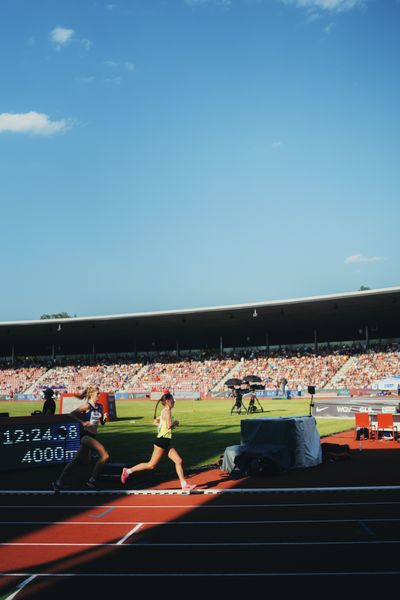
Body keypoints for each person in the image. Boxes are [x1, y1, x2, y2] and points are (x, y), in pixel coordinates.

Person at [120, 391, 196, 491]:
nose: (174, 402)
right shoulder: (167, 411)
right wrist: (176, 423)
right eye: (173, 400)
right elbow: (169, 426)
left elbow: (155, 422)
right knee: (151, 465)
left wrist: (160, 424)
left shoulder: (165, 411)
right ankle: (128, 471)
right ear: (168, 401)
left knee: (178, 460)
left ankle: (184, 484)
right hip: (161, 441)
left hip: (166, 441)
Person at [52, 386, 109, 491]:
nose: (99, 396)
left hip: (93, 435)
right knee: (104, 455)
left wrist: (104, 418)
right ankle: (92, 481)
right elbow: (71, 414)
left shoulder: (100, 407)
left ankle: (58, 482)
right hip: (85, 435)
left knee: (75, 460)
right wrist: (82, 422)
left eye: (99, 394)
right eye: (97, 394)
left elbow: (102, 423)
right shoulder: (87, 406)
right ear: (91, 394)